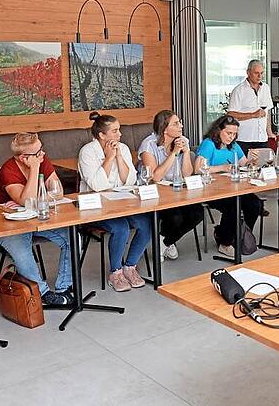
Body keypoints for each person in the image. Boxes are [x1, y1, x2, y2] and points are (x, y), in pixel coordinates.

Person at [0, 133, 73, 306]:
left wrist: (41, 194)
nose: (43, 155)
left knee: (73, 238)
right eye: (38, 153)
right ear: (24, 158)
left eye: (42, 150)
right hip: (7, 224)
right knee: (22, 253)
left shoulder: (42, 160)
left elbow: (58, 191)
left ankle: (64, 287)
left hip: (38, 217)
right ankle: (42, 293)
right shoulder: (8, 170)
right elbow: (27, 201)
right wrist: (35, 170)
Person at [78, 112, 150, 292]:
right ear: (102, 135)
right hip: (95, 207)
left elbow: (130, 180)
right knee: (121, 228)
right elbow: (97, 185)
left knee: (146, 224)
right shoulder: (87, 152)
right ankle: (115, 272)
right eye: (115, 131)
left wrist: (118, 156)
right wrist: (109, 158)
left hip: (122, 203)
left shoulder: (123, 148)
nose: (120, 135)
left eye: (120, 130)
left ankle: (130, 267)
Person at [138, 110, 204, 261]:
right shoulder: (149, 144)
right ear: (164, 128)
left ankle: (165, 241)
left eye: (180, 122)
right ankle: (167, 240)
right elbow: (155, 177)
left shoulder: (182, 140)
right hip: (152, 193)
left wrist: (186, 152)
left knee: (197, 213)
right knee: (175, 217)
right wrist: (174, 153)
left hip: (175, 191)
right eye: (176, 123)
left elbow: (187, 175)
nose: (181, 126)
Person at [194, 115, 263, 257]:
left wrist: (252, 161)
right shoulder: (209, 144)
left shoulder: (234, 146)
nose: (231, 137)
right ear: (218, 130)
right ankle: (224, 242)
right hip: (211, 190)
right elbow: (197, 168)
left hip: (233, 188)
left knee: (255, 204)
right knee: (233, 204)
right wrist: (222, 167)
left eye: (234, 134)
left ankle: (240, 235)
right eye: (228, 133)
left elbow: (244, 164)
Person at [227, 59, 275, 155]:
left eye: (261, 73)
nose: (259, 76)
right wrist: (253, 115)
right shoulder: (239, 90)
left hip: (262, 139)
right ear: (248, 73)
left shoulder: (266, 88)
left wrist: (269, 132)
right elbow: (230, 115)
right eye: (256, 73)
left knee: (264, 167)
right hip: (244, 140)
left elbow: (267, 113)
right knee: (244, 168)